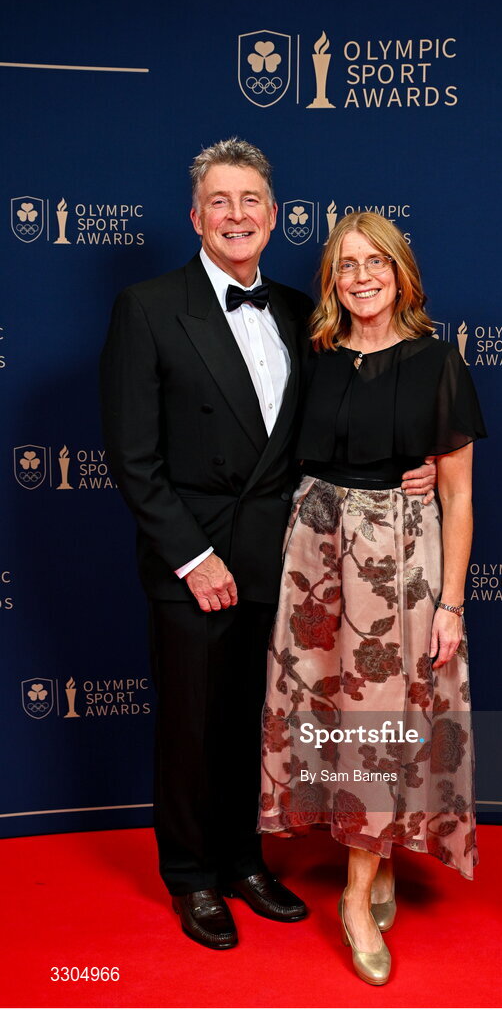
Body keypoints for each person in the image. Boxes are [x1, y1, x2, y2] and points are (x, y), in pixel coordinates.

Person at [100, 139, 436, 950]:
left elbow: (341, 426)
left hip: (288, 561)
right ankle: (192, 876)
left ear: (274, 216)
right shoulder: (148, 306)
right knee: (190, 724)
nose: (237, 215)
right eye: (221, 201)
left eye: (252, 200)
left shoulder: (299, 309)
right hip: (196, 561)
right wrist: (189, 556)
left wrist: (415, 463)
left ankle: (245, 859)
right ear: (196, 216)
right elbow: (132, 456)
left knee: (262, 723)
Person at [259, 211, 487, 984]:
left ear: (401, 273)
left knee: (381, 724)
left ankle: (355, 897)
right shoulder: (315, 356)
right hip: (316, 556)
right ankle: (375, 856)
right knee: (333, 721)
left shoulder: (437, 361)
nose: (361, 277)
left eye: (375, 263)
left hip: (399, 561)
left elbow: (457, 498)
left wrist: (451, 603)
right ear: (332, 279)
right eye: (346, 264)